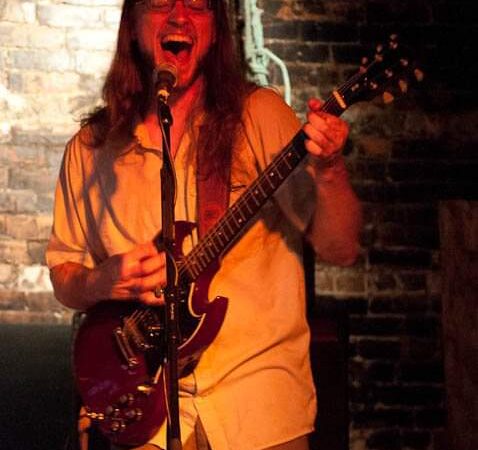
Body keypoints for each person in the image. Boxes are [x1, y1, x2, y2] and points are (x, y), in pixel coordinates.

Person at [46, 0, 361, 449]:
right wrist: (100, 281)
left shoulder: (260, 116)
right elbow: (64, 274)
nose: (179, 17)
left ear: (215, 32)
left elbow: (341, 247)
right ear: (133, 27)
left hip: (257, 406)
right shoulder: (90, 150)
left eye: (197, 6)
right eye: (160, 4)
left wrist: (329, 170)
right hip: (148, 410)